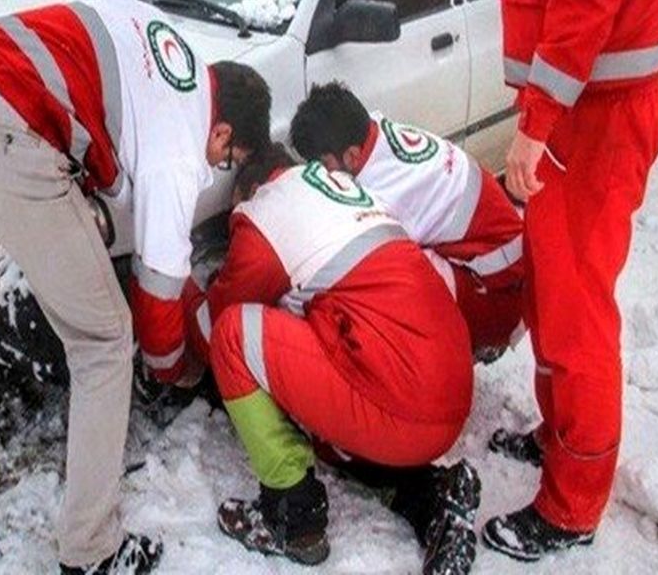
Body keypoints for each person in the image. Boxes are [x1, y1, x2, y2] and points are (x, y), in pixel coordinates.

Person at [0, 0, 271, 574]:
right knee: (105, 342)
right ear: (223, 130)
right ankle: (91, 551)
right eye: (228, 158)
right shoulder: (183, 143)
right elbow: (159, 290)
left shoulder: (157, 41)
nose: (217, 169)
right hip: (7, 137)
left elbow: (97, 110)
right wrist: (175, 369)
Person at [484, 0, 658, 561]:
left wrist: (537, 124)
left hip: (592, 116)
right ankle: (560, 432)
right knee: (548, 286)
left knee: (574, 309)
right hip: (581, 107)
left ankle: (572, 506)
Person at [186, 144, 478, 574]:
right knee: (317, 415)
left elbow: (215, 327)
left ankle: (292, 519)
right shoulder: (348, 192)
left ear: (248, 191)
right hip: (447, 389)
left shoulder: (265, 211)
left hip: (403, 403)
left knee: (236, 334)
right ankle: (432, 498)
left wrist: (185, 293)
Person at [290, 82, 524, 361]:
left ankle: (451, 352)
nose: (320, 172)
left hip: (503, 296)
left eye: (322, 164)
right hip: (508, 264)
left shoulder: (388, 193)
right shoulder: (374, 128)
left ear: (351, 155)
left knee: (381, 279)